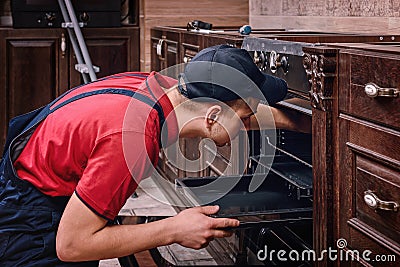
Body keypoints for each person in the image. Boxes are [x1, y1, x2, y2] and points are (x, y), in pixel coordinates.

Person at [0, 44, 311, 266]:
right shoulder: (132, 138)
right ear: (213, 116)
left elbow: (232, 114)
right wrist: (173, 230)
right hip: (32, 227)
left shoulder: (162, 88)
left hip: (31, 186)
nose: (251, 119)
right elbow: (71, 245)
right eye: (248, 112)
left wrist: (314, 125)